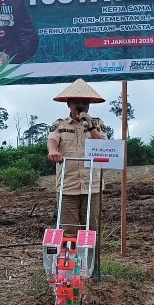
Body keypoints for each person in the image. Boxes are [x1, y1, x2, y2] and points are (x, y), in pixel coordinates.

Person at [47, 78, 108, 235]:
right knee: (68, 230)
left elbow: (103, 145)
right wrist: (53, 151)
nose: (81, 106)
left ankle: (91, 252)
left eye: (84, 103)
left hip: (92, 185)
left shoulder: (97, 123)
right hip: (68, 185)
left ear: (89, 105)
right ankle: (71, 252)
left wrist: (90, 126)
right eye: (76, 102)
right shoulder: (59, 124)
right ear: (69, 104)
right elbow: (52, 141)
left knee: (92, 230)